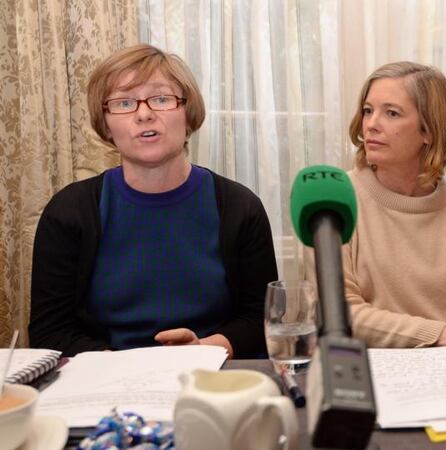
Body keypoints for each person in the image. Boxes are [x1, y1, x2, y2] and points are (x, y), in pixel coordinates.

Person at [28, 44, 278, 358]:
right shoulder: (68, 212)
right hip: (105, 382)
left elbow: (262, 321)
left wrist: (204, 349)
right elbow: (49, 331)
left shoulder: (241, 207)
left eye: (161, 98)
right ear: (106, 124)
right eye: (124, 103)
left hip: (212, 378)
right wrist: (126, 367)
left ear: (188, 116)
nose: (144, 114)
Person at [326, 61, 446, 348]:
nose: (372, 124)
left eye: (391, 113)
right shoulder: (333, 200)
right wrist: (441, 335)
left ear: (429, 130)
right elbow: (341, 313)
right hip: (363, 375)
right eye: (368, 110)